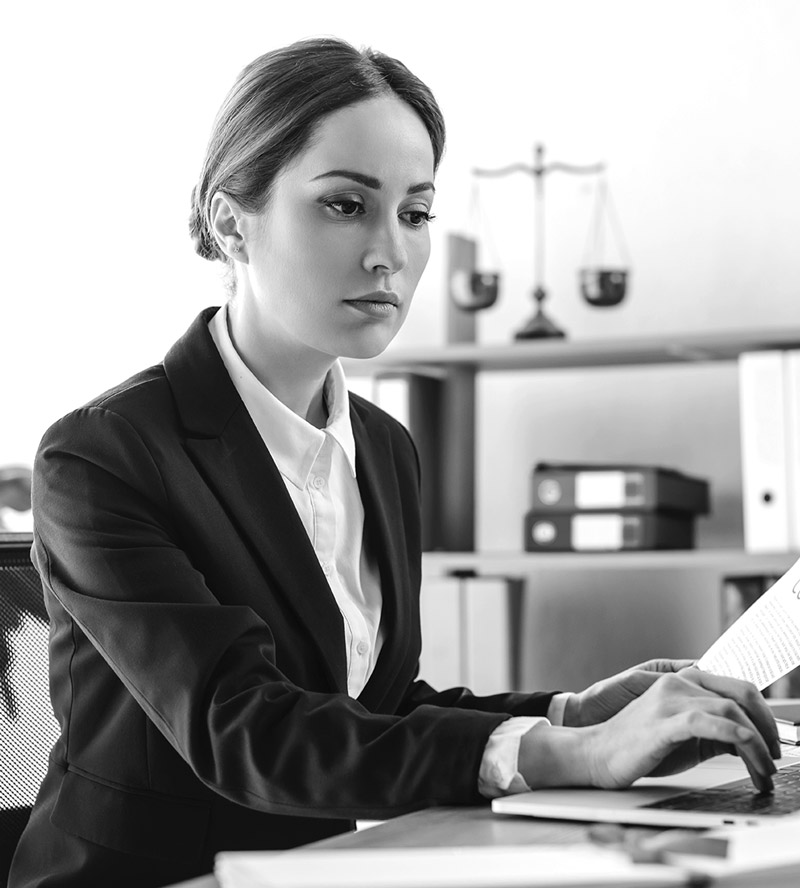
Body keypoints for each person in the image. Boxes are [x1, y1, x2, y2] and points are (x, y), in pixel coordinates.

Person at [10, 36, 780, 888]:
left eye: (415, 213)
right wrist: (570, 754)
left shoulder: (384, 447)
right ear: (232, 222)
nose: (391, 253)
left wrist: (570, 710)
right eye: (346, 205)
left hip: (328, 868)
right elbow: (245, 728)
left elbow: (370, 708)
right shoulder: (103, 455)